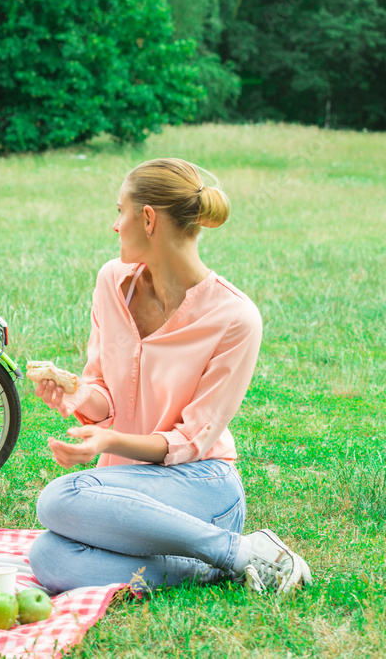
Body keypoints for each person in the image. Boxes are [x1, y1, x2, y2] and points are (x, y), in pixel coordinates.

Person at [28, 158, 312, 594]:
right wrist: (77, 395)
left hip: (201, 488)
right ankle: (220, 565)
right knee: (49, 556)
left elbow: (191, 441)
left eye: (119, 211)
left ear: (147, 219)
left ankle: (237, 549)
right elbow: (103, 390)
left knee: (59, 498)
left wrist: (109, 442)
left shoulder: (236, 318)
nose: (114, 224)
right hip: (124, 494)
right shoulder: (111, 282)